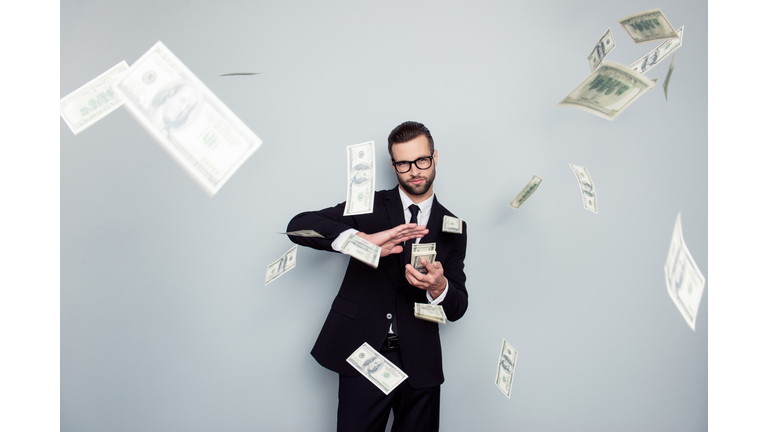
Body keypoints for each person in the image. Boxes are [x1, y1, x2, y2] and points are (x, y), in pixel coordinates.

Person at [286, 121, 469, 432]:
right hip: (364, 356)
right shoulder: (368, 206)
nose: (414, 171)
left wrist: (439, 286)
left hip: (420, 363)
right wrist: (360, 240)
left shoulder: (454, 226)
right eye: (403, 163)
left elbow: (458, 307)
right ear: (393, 165)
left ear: (435, 157)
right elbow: (298, 226)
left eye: (422, 160)